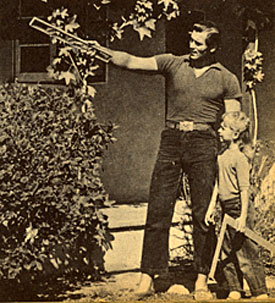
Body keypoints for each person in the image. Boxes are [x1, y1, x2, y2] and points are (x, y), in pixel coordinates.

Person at [93, 20, 242, 299]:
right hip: (172, 141)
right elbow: (131, 61)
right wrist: (101, 51)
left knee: (203, 214)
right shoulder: (173, 63)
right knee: (159, 209)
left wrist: (229, 156)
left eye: (198, 43)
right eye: (191, 40)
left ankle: (201, 279)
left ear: (213, 47)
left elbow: (234, 123)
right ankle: (148, 277)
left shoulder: (226, 78)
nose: (192, 46)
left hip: (204, 143)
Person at [205, 112, 268, 300]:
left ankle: (259, 290)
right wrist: (211, 208)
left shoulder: (239, 159)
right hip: (225, 208)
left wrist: (242, 217)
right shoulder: (221, 156)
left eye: (223, 127)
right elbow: (218, 184)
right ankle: (235, 287)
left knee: (246, 250)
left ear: (235, 134)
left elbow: (244, 190)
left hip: (240, 208)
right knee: (226, 250)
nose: (219, 130)